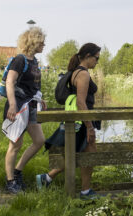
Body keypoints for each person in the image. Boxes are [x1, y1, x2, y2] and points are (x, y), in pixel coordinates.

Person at [37, 43, 102, 199]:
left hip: (76, 121)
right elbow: (81, 102)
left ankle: (47, 178)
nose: (97, 62)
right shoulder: (83, 74)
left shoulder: (75, 72)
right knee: (88, 154)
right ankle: (85, 191)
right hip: (81, 121)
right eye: (96, 58)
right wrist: (90, 127)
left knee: (79, 153)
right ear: (87, 56)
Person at [3, 27, 47, 194]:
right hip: (19, 107)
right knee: (15, 144)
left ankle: (18, 171)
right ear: (33, 42)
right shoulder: (20, 60)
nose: (44, 45)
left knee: (39, 140)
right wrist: (12, 104)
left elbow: (33, 85)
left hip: (31, 106)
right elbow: (10, 82)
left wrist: (39, 97)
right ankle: (10, 181)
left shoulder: (34, 61)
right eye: (41, 42)